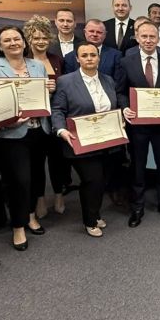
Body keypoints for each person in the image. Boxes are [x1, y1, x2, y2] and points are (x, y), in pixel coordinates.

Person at [0, 26, 52, 251]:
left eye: (17, 38)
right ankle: (18, 226)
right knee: (19, 180)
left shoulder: (37, 66)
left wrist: (49, 90)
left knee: (36, 176)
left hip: (38, 130)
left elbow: (43, 97)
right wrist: (7, 121)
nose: (13, 43)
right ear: (0, 46)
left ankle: (31, 216)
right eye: (7, 40)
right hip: (11, 134)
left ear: (24, 42)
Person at [51, 42, 119, 237]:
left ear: (99, 58)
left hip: (107, 140)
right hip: (81, 141)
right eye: (84, 55)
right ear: (77, 59)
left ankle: (95, 214)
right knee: (92, 180)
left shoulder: (108, 80)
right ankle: (90, 220)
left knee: (102, 180)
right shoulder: (65, 81)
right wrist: (61, 130)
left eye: (93, 55)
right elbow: (57, 109)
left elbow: (113, 107)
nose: (89, 58)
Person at [116, 21, 160, 226]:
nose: (149, 40)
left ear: (158, 38)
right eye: (144, 36)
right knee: (138, 168)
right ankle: (137, 207)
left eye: (152, 36)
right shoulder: (126, 62)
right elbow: (120, 91)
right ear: (137, 37)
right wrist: (125, 107)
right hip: (138, 126)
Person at [25, 16, 67, 217]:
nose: (41, 41)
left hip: (56, 117)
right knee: (37, 162)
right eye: (36, 38)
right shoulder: (23, 61)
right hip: (34, 120)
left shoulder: (57, 60)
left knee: (57, 160)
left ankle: (59, 195)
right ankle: (40, 199)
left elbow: (66, 85)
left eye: (44, 38)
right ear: (29, 39)